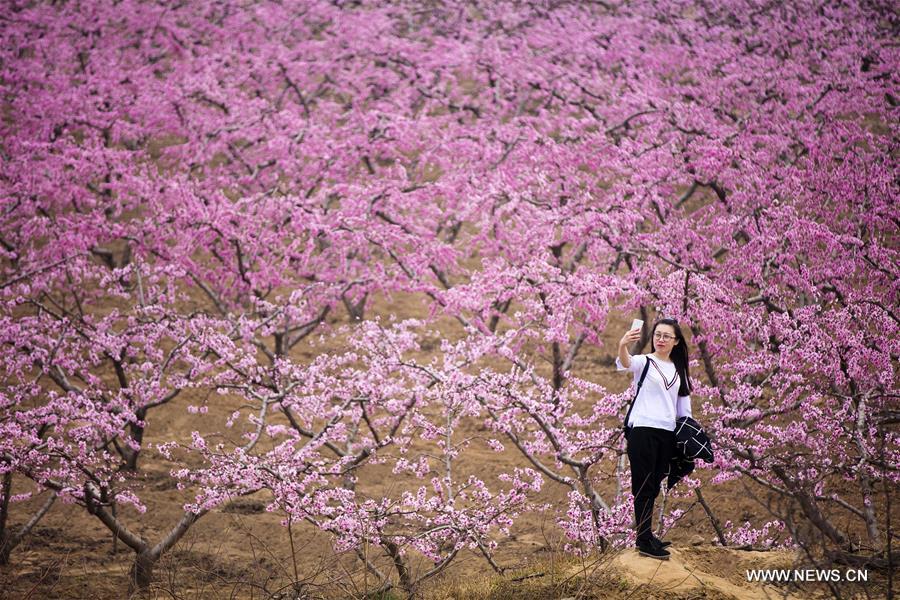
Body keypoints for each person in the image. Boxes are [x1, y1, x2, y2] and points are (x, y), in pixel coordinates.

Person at [617, 317, 693, 560]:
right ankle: (643, 538)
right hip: (643, 429)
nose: (660, 340)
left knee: (654, 485)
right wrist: (622, 344)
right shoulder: (645, 363)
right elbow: (626, 362)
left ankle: (647, 535)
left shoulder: (679, 369)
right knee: (643, 484)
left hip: (667, 433)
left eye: (666, 336)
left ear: (676, 341)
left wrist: (687, 434)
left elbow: (684, 407)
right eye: (657, 335)